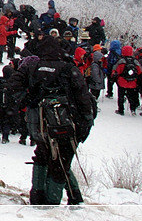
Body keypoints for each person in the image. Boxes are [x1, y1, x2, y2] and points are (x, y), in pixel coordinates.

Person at [5, 35, 94, 205]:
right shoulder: (68, 68)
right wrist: (85, 123)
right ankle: (54, 203)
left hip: (38, 124)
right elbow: (83, 98)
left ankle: (38, 197)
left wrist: (28, 102)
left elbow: (12, 86)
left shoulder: (31, 66)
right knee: (61, 161)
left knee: (42, 155)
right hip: (65, 123)